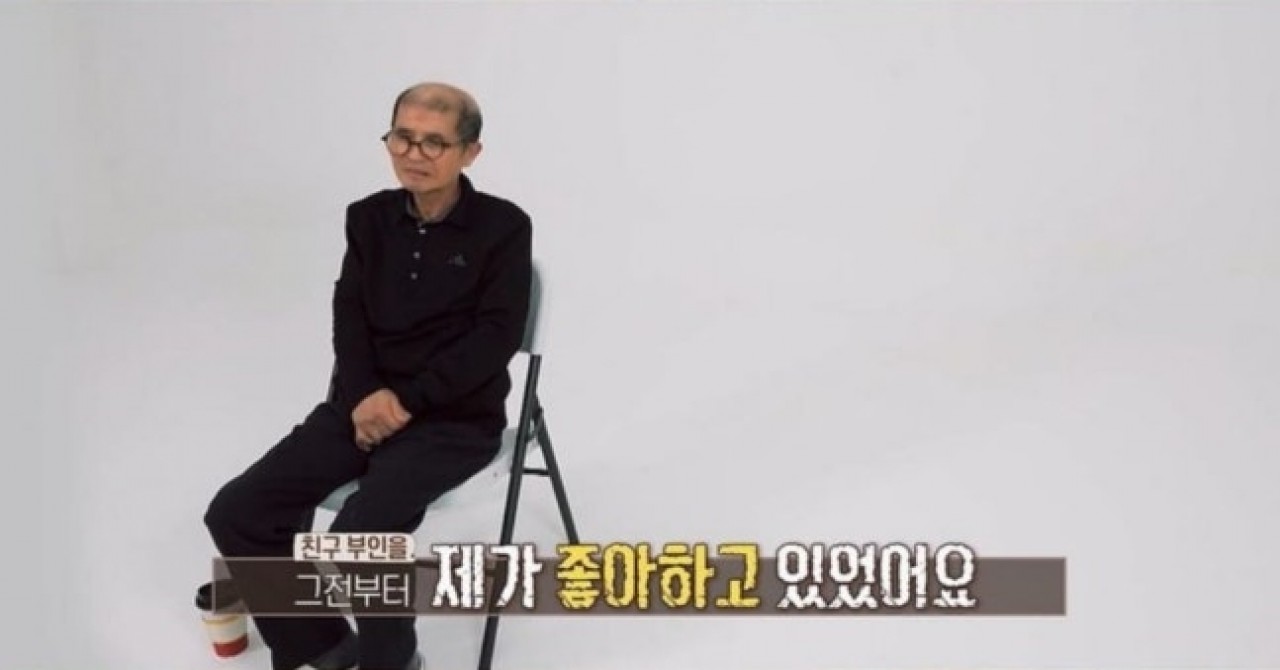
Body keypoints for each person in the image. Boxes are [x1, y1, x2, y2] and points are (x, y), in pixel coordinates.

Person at [203, 81, 533, 670]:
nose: (414, 154)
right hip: (359, 407)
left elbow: (494, 340)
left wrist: (405, 401)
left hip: (454, 420)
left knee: (360, 538)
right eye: (403, 137)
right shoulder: (368, 217)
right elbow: (349, 315)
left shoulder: (504, 227)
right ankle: (322, 646)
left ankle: (393, 661)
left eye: (434, 143)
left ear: (470, 152)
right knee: (237, 511)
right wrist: (362, 397)